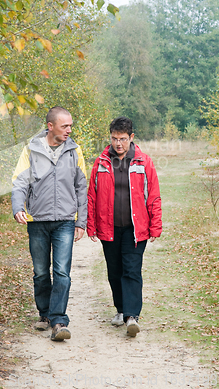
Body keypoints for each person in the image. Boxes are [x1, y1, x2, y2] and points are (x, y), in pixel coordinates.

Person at [11, 106, 87, 341]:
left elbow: (81, 188)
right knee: (41, 273)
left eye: (71, 126)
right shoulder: (30, 150)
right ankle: (44, 313)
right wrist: (17, 208)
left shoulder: (74, 151)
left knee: (62, 272)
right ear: (50, 126)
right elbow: (19, 183)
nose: (69, 130)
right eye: (65, 126)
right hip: (38, 221)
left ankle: (58, 320)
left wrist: (81, 221)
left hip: (65, 220)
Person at [87, 116, 162, 337]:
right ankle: (120, 310)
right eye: (114, 138)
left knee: (131, 270)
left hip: (135, 229)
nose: (118, 143)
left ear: (131, 137)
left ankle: (132, 316)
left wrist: (155, 225)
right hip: (108, 228)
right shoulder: (101, 162)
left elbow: (153, 196)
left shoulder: (143, 161)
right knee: (114, 272)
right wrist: (91, 224)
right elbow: (92, 195)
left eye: (122, 139)